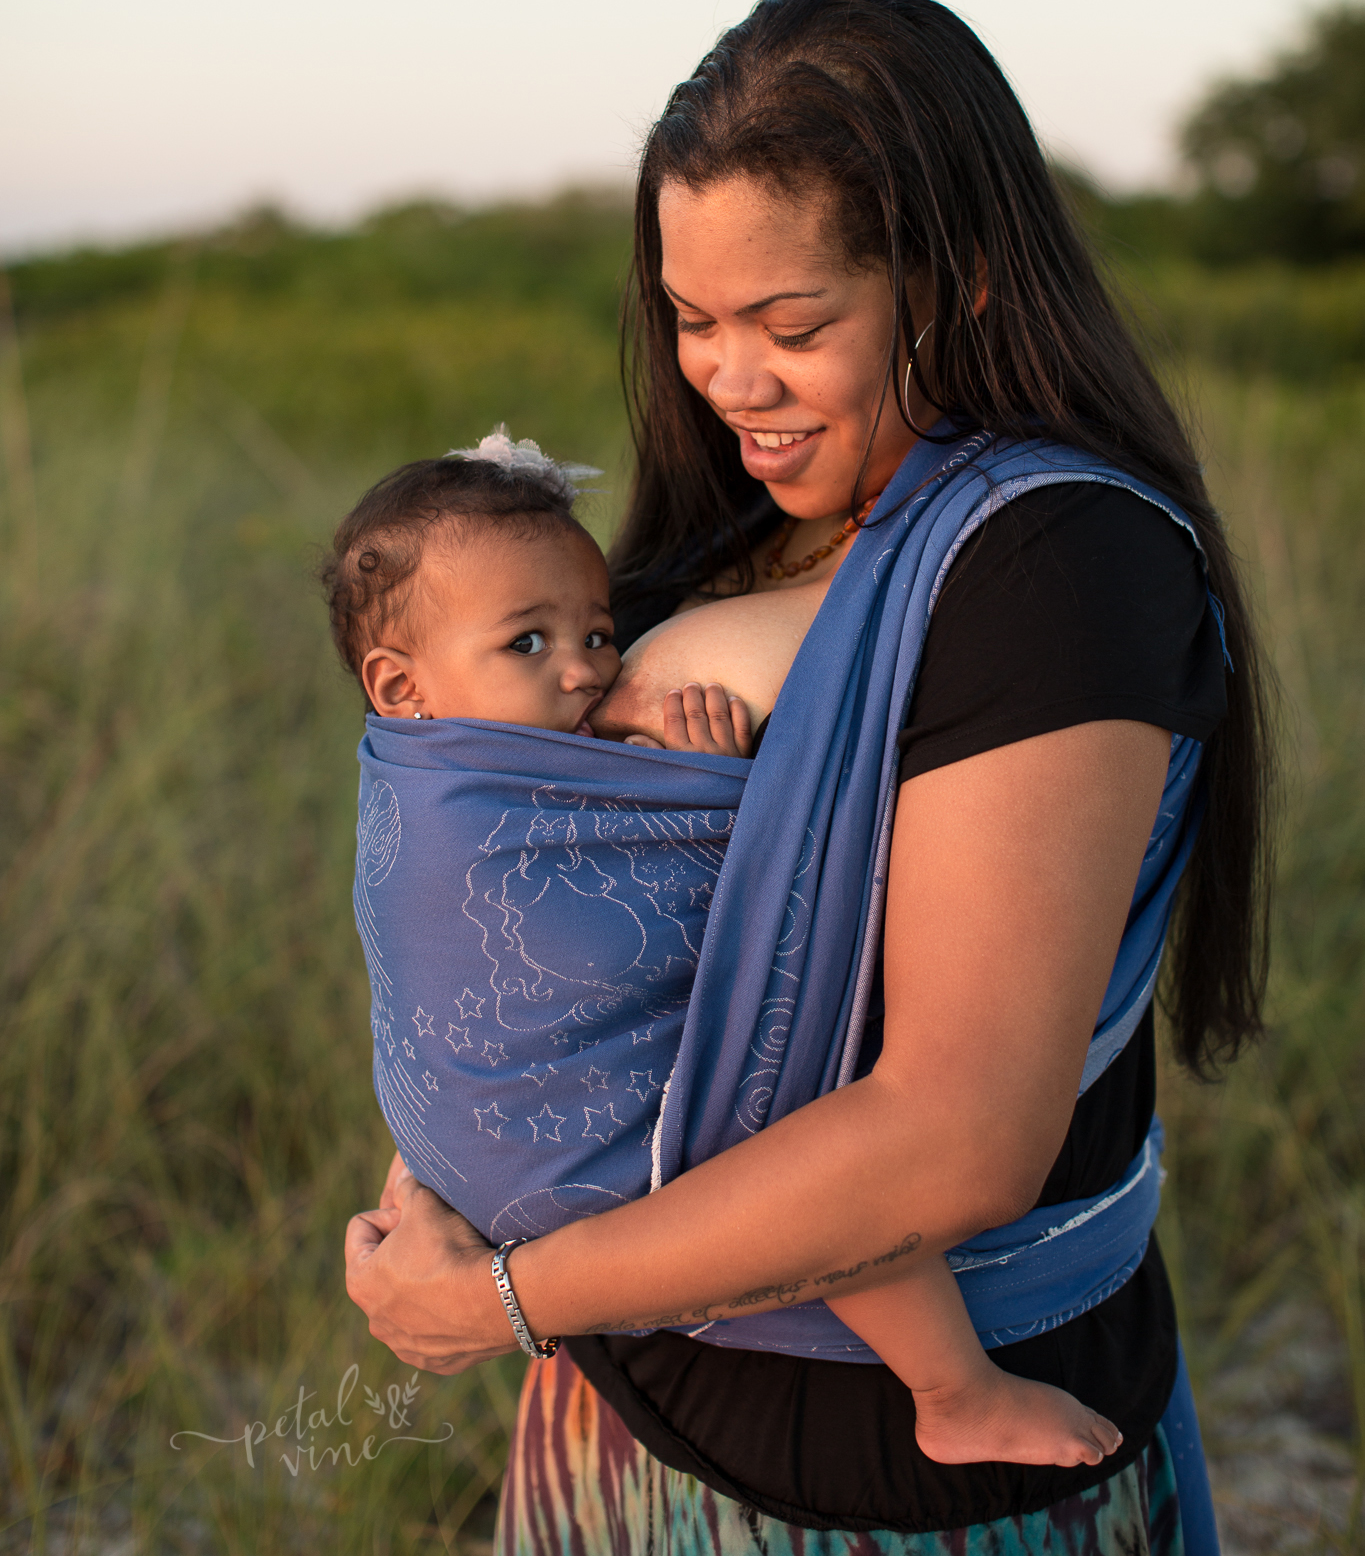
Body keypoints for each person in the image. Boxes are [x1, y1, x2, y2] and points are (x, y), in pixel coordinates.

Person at [345, 0, 1272, 1553]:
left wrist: (501, 1297)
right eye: (692, 321)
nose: (729, 381)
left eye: (791, 325)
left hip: (893, 1485)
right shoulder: (740, 516)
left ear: (957, 280)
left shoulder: (1055, 566)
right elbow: (528, 874)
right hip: (616, 1403)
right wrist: (442, 1171)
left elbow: (951, 1138)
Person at [326, 436, 1124, 1468]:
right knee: (813, 1155)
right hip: (549, 1151)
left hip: (456, 1157)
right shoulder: (450, 808)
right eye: (528, 644)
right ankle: (955, 1390)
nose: (584, 668)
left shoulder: (470, 751)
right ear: (401, 687)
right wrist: (713, 793)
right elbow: (671, 927)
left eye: (599, 632)